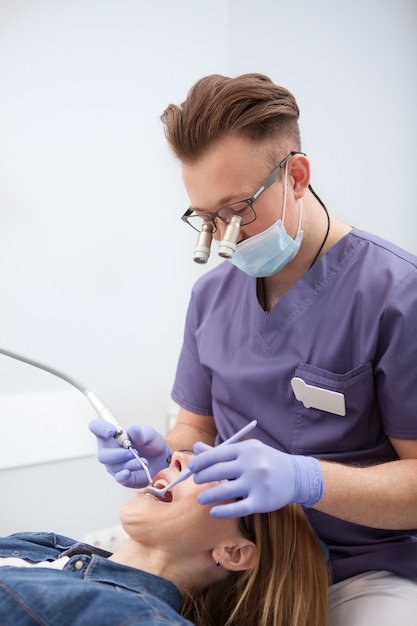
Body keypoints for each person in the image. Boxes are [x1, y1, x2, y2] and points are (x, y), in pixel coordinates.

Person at [90, 73, 417, 625]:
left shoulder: (396, 295)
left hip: (362, 568)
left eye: (238, 209)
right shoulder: (211, 296)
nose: (224, 236)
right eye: (206, 217)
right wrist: (161, 458)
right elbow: (195, 432)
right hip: (230, 562)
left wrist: (306, 479)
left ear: (296, 175)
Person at [0, 450, 329, 626]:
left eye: (217, 471)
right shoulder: (45, 544)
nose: (178, 457)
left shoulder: (140, 619)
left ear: (234, 552)